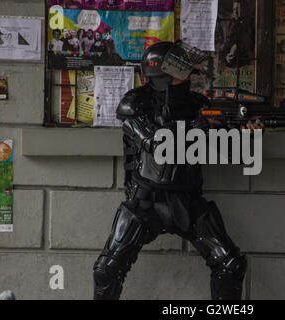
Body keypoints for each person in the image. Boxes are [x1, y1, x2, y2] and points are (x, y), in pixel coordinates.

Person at [93, 41, 263, 300]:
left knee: (231, 266)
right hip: (145, 202)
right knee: (106, 270)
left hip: (187, 201)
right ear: (159, 75)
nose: (186, 76)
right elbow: (156, 144)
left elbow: (229, 155)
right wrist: (198, 126)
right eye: (178, 71)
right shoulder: (135, 104)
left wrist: (245, 134)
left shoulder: (198, 104)